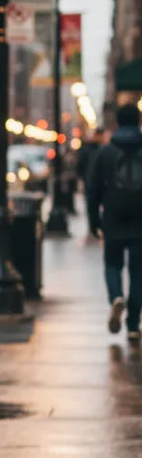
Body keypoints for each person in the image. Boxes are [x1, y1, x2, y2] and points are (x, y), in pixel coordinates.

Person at [87, 103, 142, 345]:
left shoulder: (106, 152)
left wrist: (93, 221)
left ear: (117, 123)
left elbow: (93, 189)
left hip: (113, 219)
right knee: (139, 274)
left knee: (112, 264)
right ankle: (133, 326)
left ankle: (116, 297)